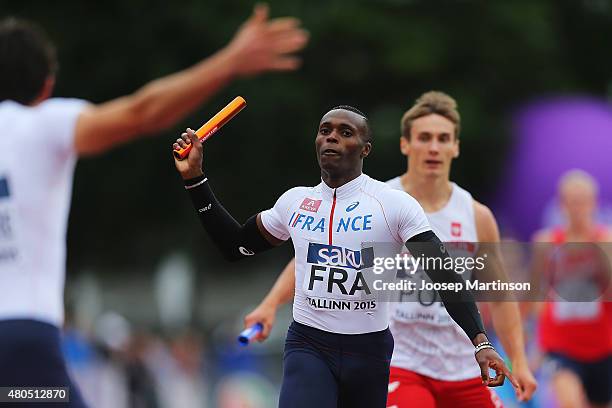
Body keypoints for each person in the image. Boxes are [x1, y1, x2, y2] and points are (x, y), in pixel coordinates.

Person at [0, 6, 307, 406]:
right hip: (21, 333)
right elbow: (141, 111)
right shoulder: (42, 123)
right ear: (46, 86)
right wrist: (229, 62)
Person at [174, 105, 515, 407]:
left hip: (368, 352)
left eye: (345, 132)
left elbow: (444, 275)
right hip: (309, 343)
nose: (332, 138)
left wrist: (480, 342)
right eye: (325, 131)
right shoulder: (294, 202)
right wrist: (194, 180)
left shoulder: (392, 204)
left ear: (365, 149)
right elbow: (235, 246)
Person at [532, 170, 612, 408]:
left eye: (582, 201)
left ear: (594, 204)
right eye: (571, 201)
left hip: (602, 346)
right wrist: (525, 347)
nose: (577, 208)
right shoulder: (545, 244)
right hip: (560, 346)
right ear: (561, 204)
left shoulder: (606, 242)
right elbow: (532, 295)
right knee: (570, 403)